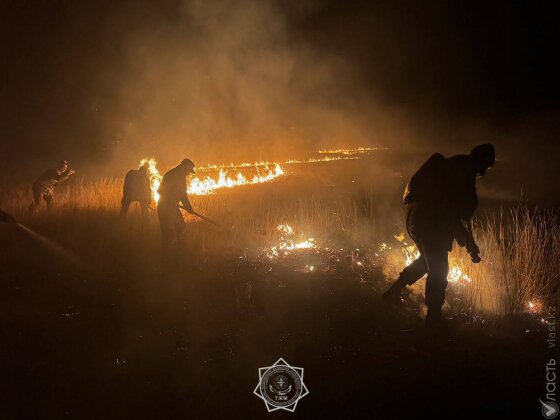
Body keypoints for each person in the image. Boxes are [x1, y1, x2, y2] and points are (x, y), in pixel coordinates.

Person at [382, 144, 495, 328]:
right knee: (439, 268)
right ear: (479, 159)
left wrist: (470, 243)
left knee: (428, 262)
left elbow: (455, 216)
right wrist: (469, 242)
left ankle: (393, 293)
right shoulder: (461, 172)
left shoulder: (460, 168)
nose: (484, 171)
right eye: (486, 165)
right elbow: (451, 212)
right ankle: (433, 318)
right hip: (428, 220)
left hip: (419, 218)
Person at [157, 158, 196, 247]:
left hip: (174, 209)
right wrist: (171, 200)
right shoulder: (171, 175)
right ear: (184, 168)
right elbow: (160, 191)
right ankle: (167, 256)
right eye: (188, 171)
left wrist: (189, 208)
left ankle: (179, 253)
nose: (189, 173)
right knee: (169, 235)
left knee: (181, 229)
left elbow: (183, 195)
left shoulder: (182, 179)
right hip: (164, 208)